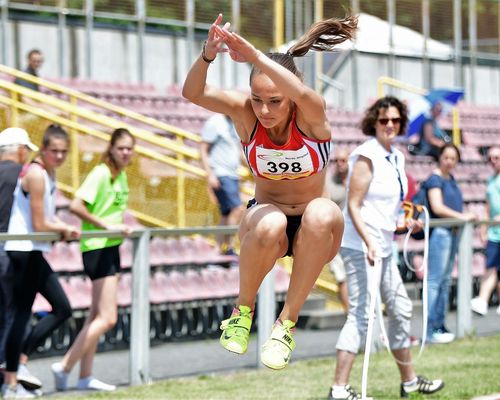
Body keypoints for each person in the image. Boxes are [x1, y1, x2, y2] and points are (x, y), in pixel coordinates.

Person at [182, 13, 355, 370]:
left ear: (290, 98)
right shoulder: (244, 114)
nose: (264, 110)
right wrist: (207, 55)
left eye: (275, 101)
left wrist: (256, 57)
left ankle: (284, 326)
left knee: (323, 211)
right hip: (266, 221)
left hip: (313, 228)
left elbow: (302, 93)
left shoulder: (311, 113)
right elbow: (193, 93)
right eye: (257, 99)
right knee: (271, 220)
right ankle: (242, 312)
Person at [329, 96, 444, 400]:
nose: (390, 125)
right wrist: (368, 242)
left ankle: (408, 382)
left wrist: (408, 222)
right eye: (384, 120)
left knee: (401, 307)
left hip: (385, 245)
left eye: (395, 120)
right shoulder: (365, 155)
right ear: (374, 123)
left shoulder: (396, 156)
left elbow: (390, 208)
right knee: (361, 315)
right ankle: (338, 389)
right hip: (360, 245)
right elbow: (353, 205)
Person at [51, 128, 135, 392]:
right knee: (108, 319)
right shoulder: (100, 173)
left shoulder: (120, 176)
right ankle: (65, 365)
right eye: (121, 147)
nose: (125, 152)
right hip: (97, 248)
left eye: (129, 148)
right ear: (111, 148)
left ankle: (85, 375)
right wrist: (105, 226)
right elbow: (76, 205)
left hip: (111, 248)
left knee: (95, 317)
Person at [2, 124, 80, 399]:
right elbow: (39, 222)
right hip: (24, 250)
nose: (59, 156)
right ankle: (10, 382)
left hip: (34, 249)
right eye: (54, 151)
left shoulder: (47, 173)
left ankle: (19, 364)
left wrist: (62, 228)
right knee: (21, 316)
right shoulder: (36, 174)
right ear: (43, 150)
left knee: (62, 308)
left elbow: (46, 218)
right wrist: (64, 230)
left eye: (63, 152)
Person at [425, 144, 476, 344]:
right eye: (446, 157)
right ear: (440, 157)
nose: (449, 162)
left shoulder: (451, 179)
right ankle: (429, 328)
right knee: (435, 282)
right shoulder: (435, 179)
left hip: (453, 233)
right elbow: (437, 207)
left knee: (445, 282)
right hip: (441, 234)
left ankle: (440, 325)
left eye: (453, 158)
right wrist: (462, 217)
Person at [0, 128, 38, 389]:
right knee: (11, 315)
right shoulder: (20, 175)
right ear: (20, 149)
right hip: (8, 251)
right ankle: (9, 374)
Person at [200, 113, 244, 254]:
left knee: (226, 213)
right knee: (237, 209)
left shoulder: (235, 123)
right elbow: (203, 149)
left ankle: (218, 249)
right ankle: (229, 247)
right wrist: (210, 174)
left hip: (232, 174)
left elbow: (239, 152)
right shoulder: (215, 122)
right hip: (221, 174)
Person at [471, 146, 500, 316]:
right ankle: (482, 300)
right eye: (490, 158)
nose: (493, 161)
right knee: (492, 267)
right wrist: (484, 228)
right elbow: (488, 206)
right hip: (494, 234)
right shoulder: (490, 180)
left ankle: (482, 299)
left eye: (496, 157)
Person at [326, 148, 349, 313]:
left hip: (356, 236)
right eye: (336, 161)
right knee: (343, 277)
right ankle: (350, 315)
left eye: (343, 160)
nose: (339, 164)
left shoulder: (358, 179)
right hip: (337, 237)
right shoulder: (329, 183)